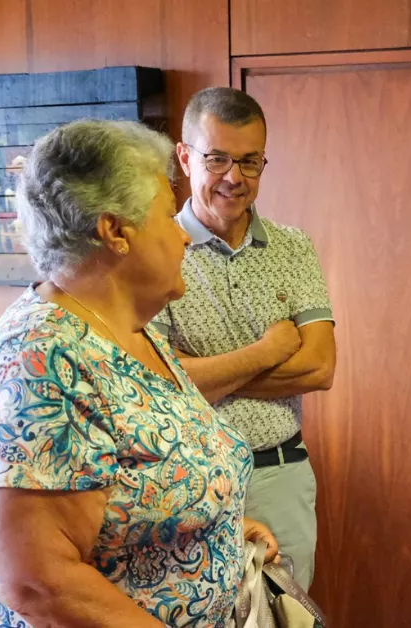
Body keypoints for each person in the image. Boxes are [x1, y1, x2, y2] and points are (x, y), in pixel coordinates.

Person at [0, 119, 280, 627]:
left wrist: (214, 524)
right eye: (166, 216)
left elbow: (136, 487)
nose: (181, 235)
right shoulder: (43, 360)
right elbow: (38, 582)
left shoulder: (127, 330)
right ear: (115, 231)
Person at [153, 87, 335, 590]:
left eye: (250, 161)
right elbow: (159, 385)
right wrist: (270, 352)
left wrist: (206, 373)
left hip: (281, 474)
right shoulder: (158, 250)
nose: (234, 177)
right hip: (187, 482)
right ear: (185, 158)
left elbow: (320, 368)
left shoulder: (294, 247)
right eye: (217, 159)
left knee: (286, 615)